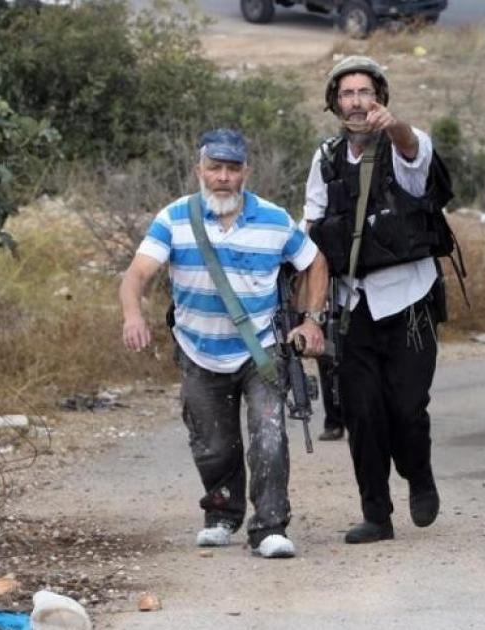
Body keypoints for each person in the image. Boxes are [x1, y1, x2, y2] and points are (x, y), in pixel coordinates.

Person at [119, 128, 328, 559]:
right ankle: (221, 514)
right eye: (214, 168)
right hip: (198, 349)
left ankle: (270, 526)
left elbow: (315, 261)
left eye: (232, 169)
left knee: (268, 435)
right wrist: (133, 315)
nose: (223, 177)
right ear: (199, 170)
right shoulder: (175, 218)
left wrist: (311, 321)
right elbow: (137, 274)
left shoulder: (273, 219)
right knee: (212, 444)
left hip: (261, 350)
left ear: (245, 172)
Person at [303, 56, 446, 544]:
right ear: (335, 103)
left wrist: (395, 126)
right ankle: (376, 514)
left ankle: (419, 475)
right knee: (362, 414)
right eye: (347, 94)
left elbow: (413, 152)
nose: (357, 102)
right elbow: (312, 232)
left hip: (409, 300)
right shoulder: (325, 159)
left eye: (365, 92)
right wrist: (309, 310)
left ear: (380, 97)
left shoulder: (406, 144)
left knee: (407, 408)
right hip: (352, 304)